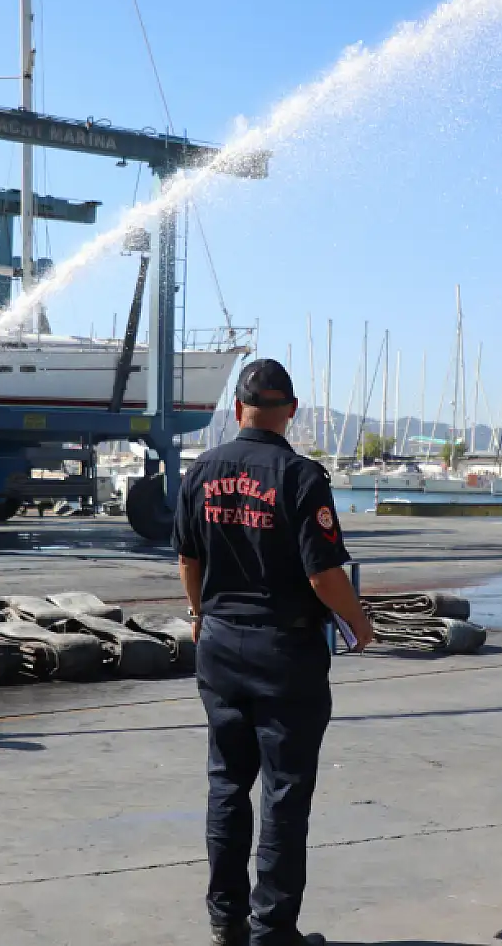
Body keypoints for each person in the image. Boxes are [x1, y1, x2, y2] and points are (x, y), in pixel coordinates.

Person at [174, 358, 376, 946]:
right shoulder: (301, 476)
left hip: (219, 645)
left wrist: (198, 615)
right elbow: (324, 575)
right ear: (290, 411)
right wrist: (359, 623)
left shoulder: (201, 472)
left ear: (237, 410)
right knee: (285, 794)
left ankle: (225, 921)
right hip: (285, 651)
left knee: (227, 785)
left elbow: (189, 559)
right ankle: (273, 932)